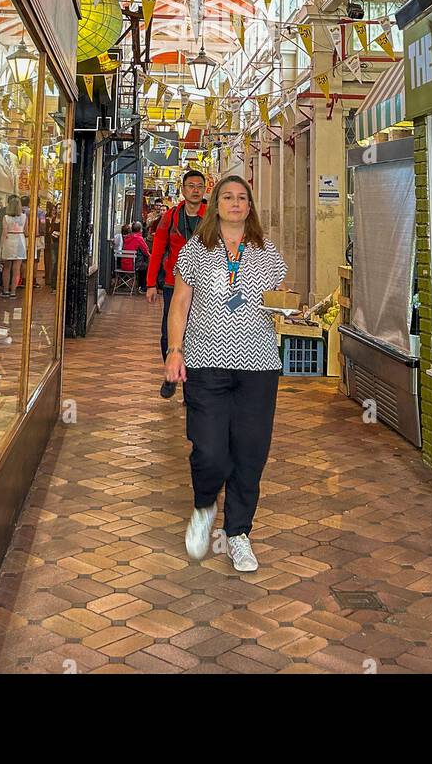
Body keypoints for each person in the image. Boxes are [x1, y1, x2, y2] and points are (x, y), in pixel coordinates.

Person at [164, 174, 286, 574]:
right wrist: (174, 351)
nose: (235, 203)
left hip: (259, 364)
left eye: (242, 198)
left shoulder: (267, 252)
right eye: (228, 197)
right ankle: (204, 508)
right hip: (204, 361)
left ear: (249, 207)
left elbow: (278, 300)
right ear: (215, 204)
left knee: (250, 452)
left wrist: (290, 311)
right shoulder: (195, 251)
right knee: (210, 448)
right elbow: (179, 305)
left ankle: (238, 533)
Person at [146, 171, 206, 399]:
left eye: (199, 186)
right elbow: (158, 250)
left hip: (204, 285)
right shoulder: (170, 217)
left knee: (198, 334)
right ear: (183, 189)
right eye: (191, 186)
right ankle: (171, 375)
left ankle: (191, 384)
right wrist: (151, 283)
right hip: (174, 283)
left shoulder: (212, 217)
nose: (195, 190)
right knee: (167, 333)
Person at [0, 194, 26, 303]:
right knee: (17, 269)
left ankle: (5, 290)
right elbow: (26, 230)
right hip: (20, 240)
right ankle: (13, 291)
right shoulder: (24, 217)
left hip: (9, 240)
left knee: (6, 268)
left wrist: (0, 247)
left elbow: (4, 233)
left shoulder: (6, 217)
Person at [120, 220, 149, 290]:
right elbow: (146, 252)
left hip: (123, 265)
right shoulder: (139, 239)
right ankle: (143, 287)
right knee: (146, 266)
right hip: (133, 265)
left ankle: (133, 284)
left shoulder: (127, 238)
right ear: (140, 230)